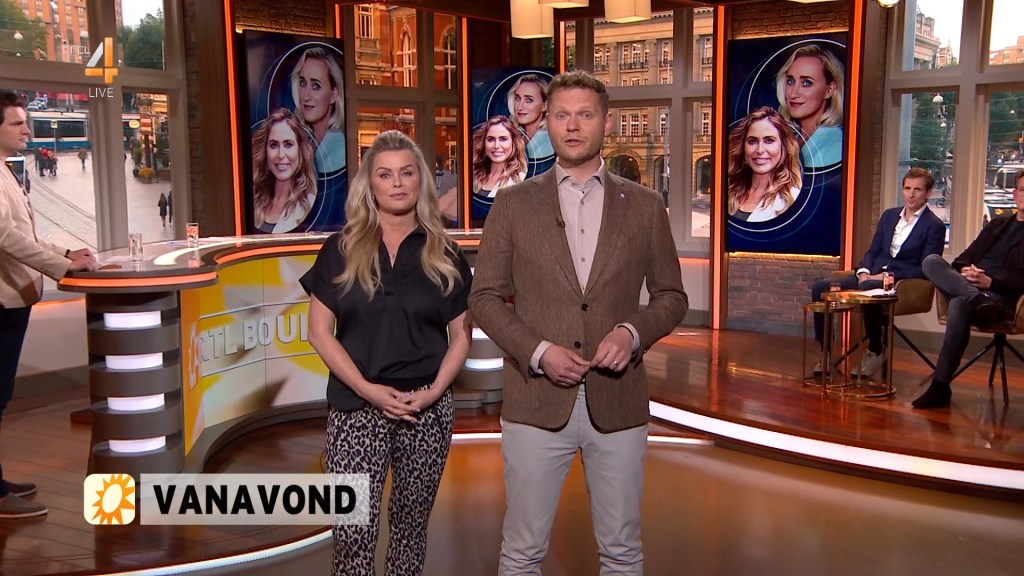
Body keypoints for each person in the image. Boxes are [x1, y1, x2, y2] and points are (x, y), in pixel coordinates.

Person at [469, 70, 688, 575]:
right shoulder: (513, 204)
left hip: (618, 402)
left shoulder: (646, 206)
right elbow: (484, 298)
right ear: (546, 122)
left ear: (606, 123)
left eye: (585, 115)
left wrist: (632, 333)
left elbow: (672, 297)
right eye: (561, 115)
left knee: (622, 551)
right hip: (535, 403)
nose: (572, 126)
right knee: (521, 552)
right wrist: (540, 351)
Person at [300, 130, 472, 575]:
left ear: (420, 181)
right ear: (370, 185)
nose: (397, 183)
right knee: (352, 533)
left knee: (410, 531)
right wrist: (367, 390)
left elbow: (461, 337)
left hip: (425, 410)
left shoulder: (447, 253)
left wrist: (434, 392)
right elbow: (318, 332)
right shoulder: (340, 249)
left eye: (406, 173)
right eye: (385, 174)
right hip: (356, 408)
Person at [0, 90, 99, 519]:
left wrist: (67, 253)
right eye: (17, 123)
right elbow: (7, 238)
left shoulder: (5, 169)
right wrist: (61, 267)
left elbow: (29, 236)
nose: (27, 130)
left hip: (12, 300)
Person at [807, 167, 946, 377]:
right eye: (907, 188)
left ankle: (875, 349)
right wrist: (863, 271)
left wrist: (885, 277)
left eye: (917, 189)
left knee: (869, 287)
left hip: (899, 284)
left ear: (928, 193)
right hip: (868, 277)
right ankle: (824, 352)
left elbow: (926, 267)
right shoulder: (889, 216)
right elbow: (873, 251)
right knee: (820, 288)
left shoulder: (934, 226)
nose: (911, 194)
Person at [913, 170, 1024, 409]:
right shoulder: (997, 225)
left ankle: (940, 386)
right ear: (1015, 194)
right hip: (974, 291)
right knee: (931, 261)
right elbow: (963, 259)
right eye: (1023, 190)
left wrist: (990, 282)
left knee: (958, 303)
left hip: (1001, 299)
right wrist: (967, 272)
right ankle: (976, 299)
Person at [726, 106, 803, 222]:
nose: (760, 150)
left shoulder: (794, 200)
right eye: (752, 141)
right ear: (742, 148)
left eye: (769, 140)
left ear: (784, 147)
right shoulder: (728, 191)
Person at [775, 44, 845, 168]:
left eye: (807, 83)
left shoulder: (836, 144)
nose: (793, 93)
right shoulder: (789, 139)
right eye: (790, 81)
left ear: (829, 90)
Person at [251, 108, 317, 233]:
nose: (280, 155)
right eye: (274, 145)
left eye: (288, 145)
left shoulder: (309, 202)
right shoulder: (255, 199)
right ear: (265, 151)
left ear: (300, 151)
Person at [290, 46, 346, 174]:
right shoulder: (303, 141)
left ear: (333, 95)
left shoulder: (340, 150)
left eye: (316, 86)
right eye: (303, 83)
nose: (306, 96)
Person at [470, 115, 527, 219]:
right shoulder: (472, 175)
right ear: (484, 143)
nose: (496, 146)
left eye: (503, 139)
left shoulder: (521, 181)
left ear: (513, 143)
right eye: (491, 139)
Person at [507, 74, 554, 160]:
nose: (520, 107)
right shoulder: (514, 138)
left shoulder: (550, 142)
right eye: (517, 98)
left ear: (544, 106)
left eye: (529, 100)